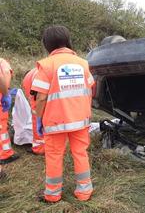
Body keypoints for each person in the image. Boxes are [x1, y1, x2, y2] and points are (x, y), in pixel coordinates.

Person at [31, 25, 94, 203]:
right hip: (80, 120)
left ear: (47, 44)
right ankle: (84, 192)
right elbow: (90, 89)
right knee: (80, 153)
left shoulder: (46, 65)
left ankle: (52, 195)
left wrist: (39, 118)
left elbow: (41, 98)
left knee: (54, 156)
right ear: (67, 41)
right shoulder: (83, 63)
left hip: (55, 122)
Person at [0, 58, 19, 179]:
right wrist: (6, 94)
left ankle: (5, 152)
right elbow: (3, 78)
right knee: (1, 127)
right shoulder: (3, 63)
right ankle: (4, 154)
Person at [22, 68, 44, 155]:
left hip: (38, 98)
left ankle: (39, 148)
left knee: (37, 120)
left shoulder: (27, 79)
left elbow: (31, 97)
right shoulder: (37, 71)